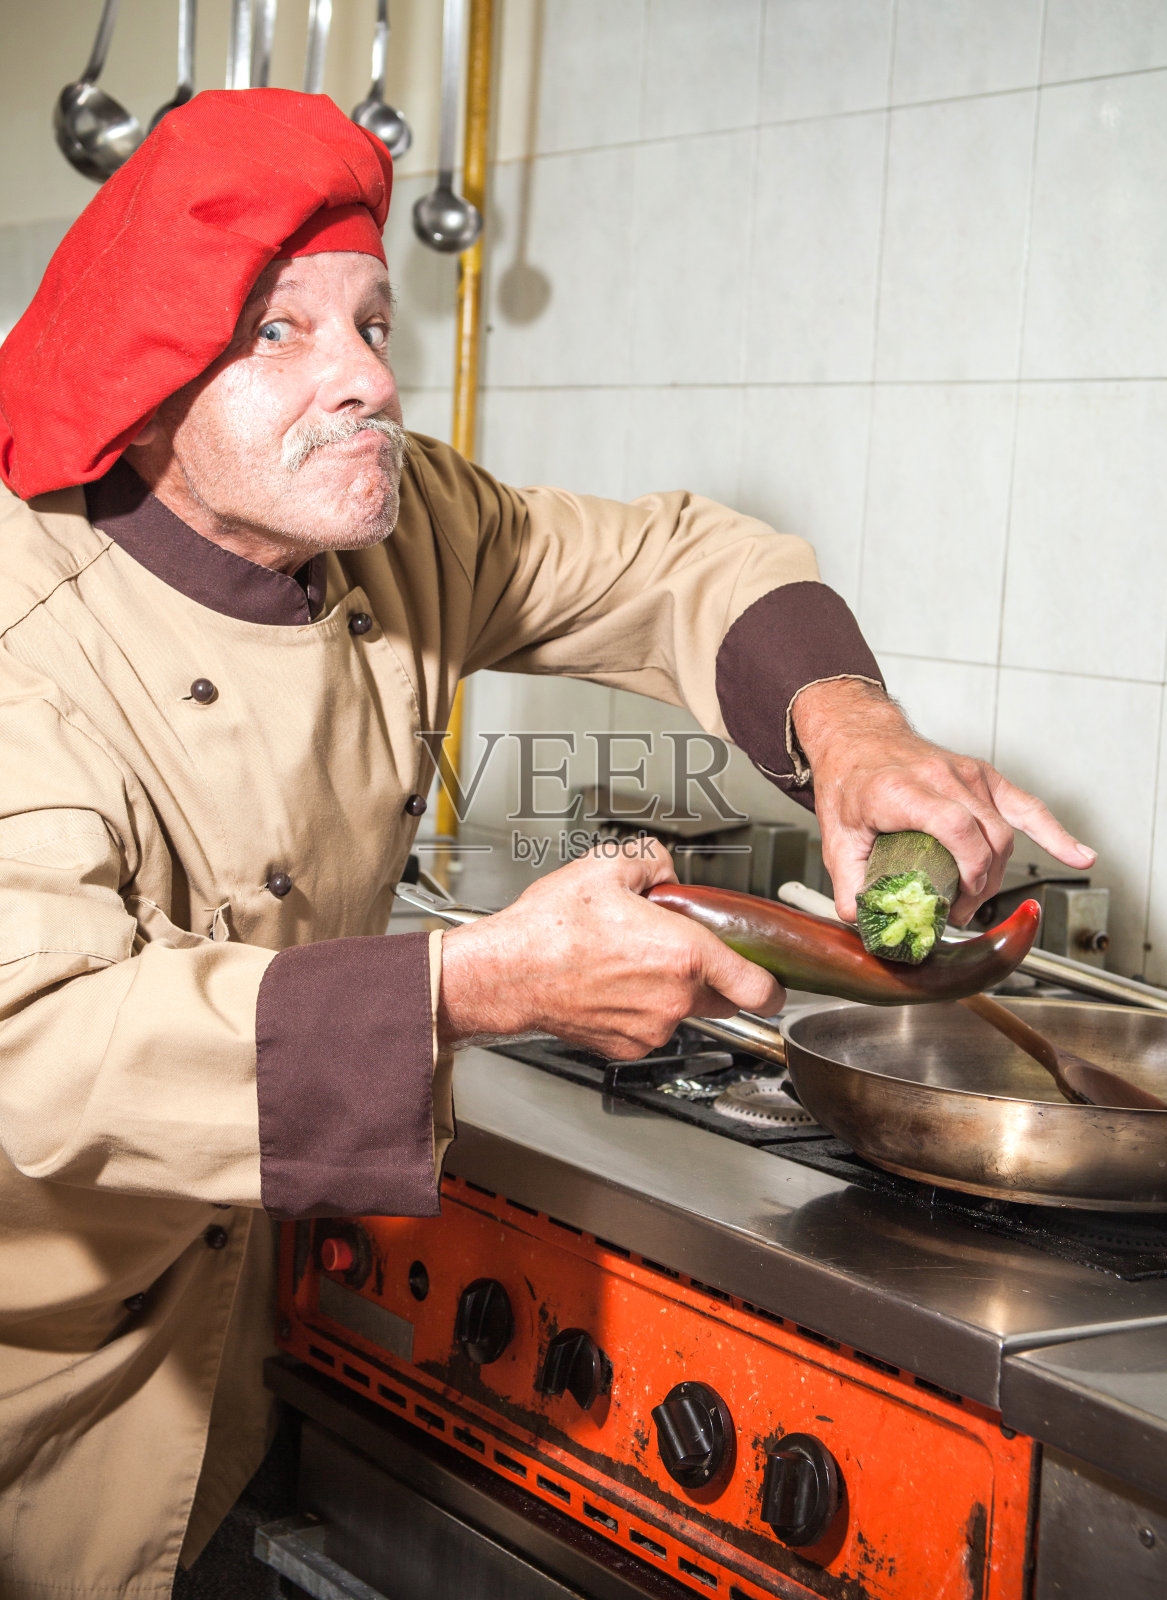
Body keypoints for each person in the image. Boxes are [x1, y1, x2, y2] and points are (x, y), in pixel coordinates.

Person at [0, 90, 1092, 1598]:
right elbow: (36, 1049)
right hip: (49, 1381)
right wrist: (472, 988)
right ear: (143, 377)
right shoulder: (23, 634)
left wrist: (851, 731)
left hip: (247, 1311)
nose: (369, 378)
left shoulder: (393, 523)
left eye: (375, 320)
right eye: (281, 333)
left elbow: (670, 565)